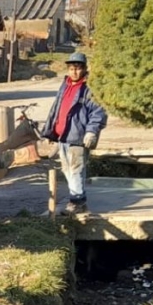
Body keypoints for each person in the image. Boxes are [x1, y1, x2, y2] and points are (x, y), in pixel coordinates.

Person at [40, 52, 108, 215]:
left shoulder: (89, 88)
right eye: (71, 68)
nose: (74, 72)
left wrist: (91, 132)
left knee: (76, 168)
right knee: (67, 169)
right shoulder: (65, 85)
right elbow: (56, 109)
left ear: (84, 69)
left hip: (78, 136)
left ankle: (77, 202)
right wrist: (51, 132)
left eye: (77, 68)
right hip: (63, 136)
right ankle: (76, 198)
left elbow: (98, 111)